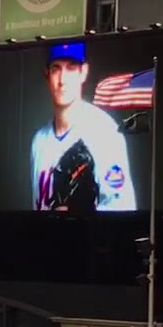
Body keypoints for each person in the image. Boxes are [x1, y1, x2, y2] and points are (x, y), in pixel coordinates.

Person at [30, 42, 135, 212]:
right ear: (47, 73)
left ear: (83, 72)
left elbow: (123, 209)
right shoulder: (39, 141)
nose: (62, 80)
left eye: (71, 68)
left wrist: (80, 213)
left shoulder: (104, 132)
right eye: (56, 68)